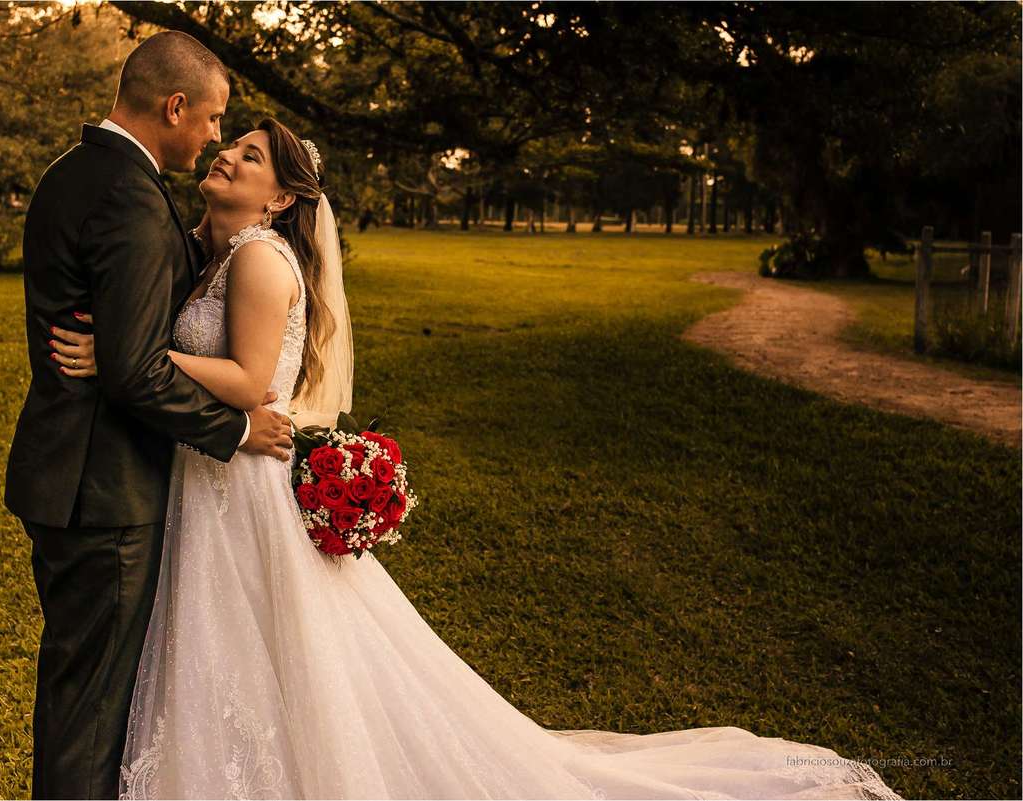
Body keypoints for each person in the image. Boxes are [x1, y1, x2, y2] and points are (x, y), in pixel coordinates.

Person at [51, 118, 900, 800]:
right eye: (231, 143)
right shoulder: (218, 252)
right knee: (233, 648)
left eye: (249, 155)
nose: (228, 155)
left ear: (280, 198)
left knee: (264, 645)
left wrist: (128, 360)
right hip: (213, 480)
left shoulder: (263, 262)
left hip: (240, 484)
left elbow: (246, 381)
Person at [4, 31, 293, 800]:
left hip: (68, 473)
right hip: (104, 489)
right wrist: (237, 430)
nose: (215, 136)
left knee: (81, 691)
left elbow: (145, 306)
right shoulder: (128, 193)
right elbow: (135, 367)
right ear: (175, 106)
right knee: (92, 710)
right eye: (213, 117)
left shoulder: (75, 172)